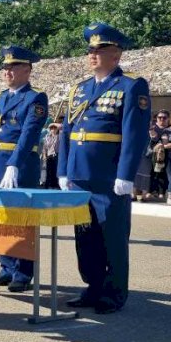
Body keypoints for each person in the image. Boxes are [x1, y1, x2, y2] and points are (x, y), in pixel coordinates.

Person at [58, 23, 151, 314]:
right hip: (79, 176)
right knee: (85, 238)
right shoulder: (80, 89)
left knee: (113, 235)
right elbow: (66, 132)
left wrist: (126, 175)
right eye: (90, 50)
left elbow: (135, 134)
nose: (93, 55)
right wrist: (63, 170)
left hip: (108, 177)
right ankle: (93, 286)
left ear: (116, 55)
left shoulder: (131, 85)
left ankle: (114, 293)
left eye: (100, 50)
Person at [0, 45, 48, 292]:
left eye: (13, 67)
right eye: (5, 67)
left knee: (23, 220)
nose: (7, 71)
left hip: (20, 166)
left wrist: (13, 165)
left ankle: (23, 273)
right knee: (3, 220)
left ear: (27, 70)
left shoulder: (35, 97)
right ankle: (6, 267)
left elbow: (29, 134)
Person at [43, 123, 61, 189]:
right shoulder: (47, 137)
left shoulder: (59, 136)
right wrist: (44, 155)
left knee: (55, 170)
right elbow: (44, 147)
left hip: (57, 155)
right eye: (51, 128)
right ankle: (47, 184)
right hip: (49, 155)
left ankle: (55, 184)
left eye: (54, 128)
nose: (53, 129)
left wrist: (57, 126)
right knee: (48, 170)